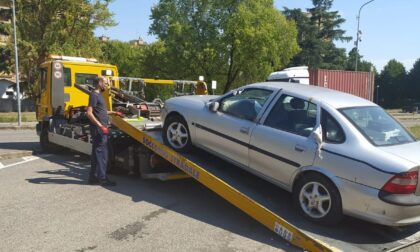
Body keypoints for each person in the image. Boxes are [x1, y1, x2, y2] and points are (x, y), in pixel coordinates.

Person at [86, 76, 123, 186]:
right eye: (105, 83)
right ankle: (102, 179)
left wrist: (114, 113)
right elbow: (89, 113)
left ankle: (93, 178)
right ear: (99, 83)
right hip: (99, 129)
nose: (106, 85)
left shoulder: (99, 96)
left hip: (101, 128)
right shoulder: (94, 95)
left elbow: (102, 111)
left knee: (96, 154)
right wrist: (100, 125)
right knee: (102, 154)